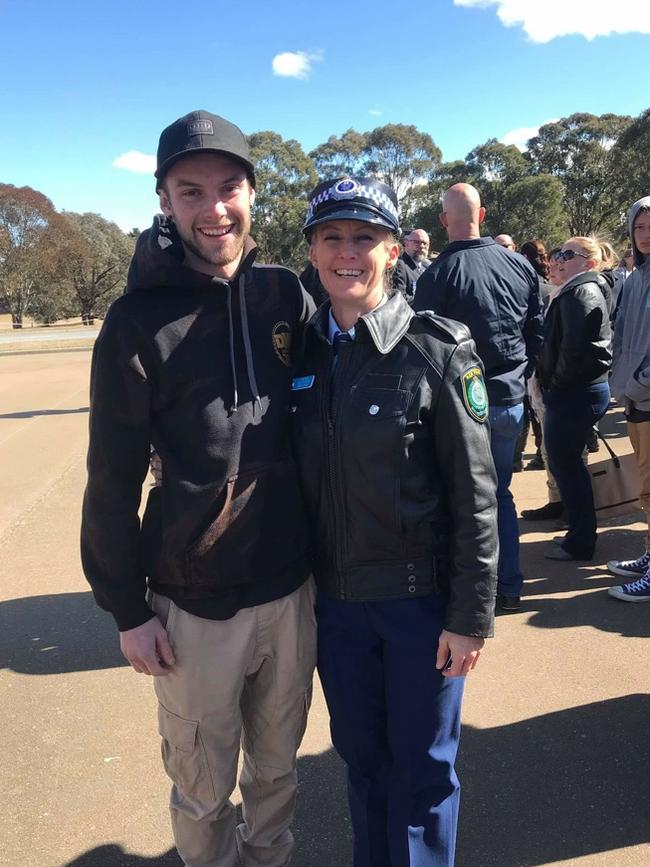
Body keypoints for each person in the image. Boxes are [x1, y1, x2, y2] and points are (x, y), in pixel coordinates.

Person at [81, 110, 317, 867]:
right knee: (202, 786)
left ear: (253, 192)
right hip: (191, 601)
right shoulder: (133, 322)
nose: (213, 207)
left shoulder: (287, 296)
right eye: (191, 191)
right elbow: (111, 477)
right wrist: (126, 607)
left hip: (290, 588)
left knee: (278, 772)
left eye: (228, 187)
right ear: (164, 201)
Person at [290, 176, 498, 867]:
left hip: (419, 606)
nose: (347, 253)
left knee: (421, 774)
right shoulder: (300, 354)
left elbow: (476, 494)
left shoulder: (435, 350)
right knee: (363, 766)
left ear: (392, 249)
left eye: (365, 238)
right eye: (331, 238)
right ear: (313, 252)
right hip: (339, 610)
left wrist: (470, 614)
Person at [414, 183, 543, 612]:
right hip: (509, 398)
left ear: (444, 222)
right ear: (483, 215)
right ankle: (508, 584)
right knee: (499, 493)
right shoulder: (519, 265)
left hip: (461, 406)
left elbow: (424, 350)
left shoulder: (435, 276)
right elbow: (535, 331)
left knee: (462, 499)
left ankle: (475, 591)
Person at [537, 236, 612, 561]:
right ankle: (579, 534)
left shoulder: (581, 292)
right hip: (576, 391)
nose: (560, 259)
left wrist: (554, 386)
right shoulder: (575, 290)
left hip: (574, 392)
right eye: (559, 252)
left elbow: (573, 350)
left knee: (566, 465)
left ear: (590, 263)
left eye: (569, 254)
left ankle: (581, 541)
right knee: (569, 465)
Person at [608, 196, 650, 600]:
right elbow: (620, 335)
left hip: (647, 399)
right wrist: (621, 382)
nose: (645, 235)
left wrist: (636, 383)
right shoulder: (635, 278)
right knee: (646, 489)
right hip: (635, 401)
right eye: (639, 228)